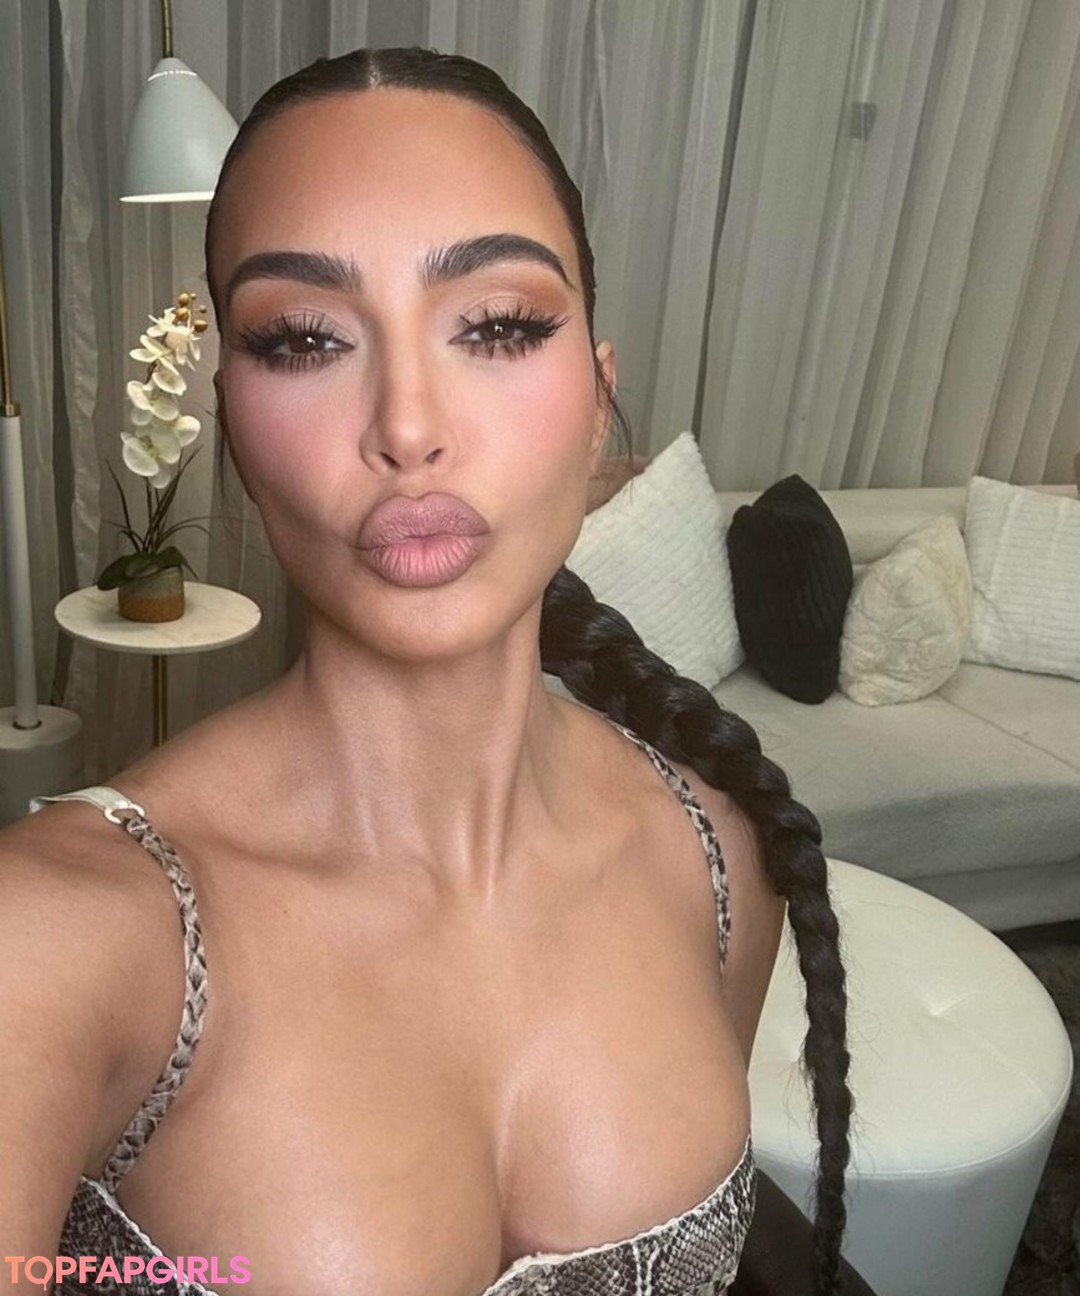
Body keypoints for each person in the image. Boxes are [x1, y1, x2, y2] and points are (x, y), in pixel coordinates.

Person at [0, 47, 851, 1296]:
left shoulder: (717, 857)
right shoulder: (53, 940)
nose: (407, 426)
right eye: (303, 339)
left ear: (600, 399)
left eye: (498, 327)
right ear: (230, 423)